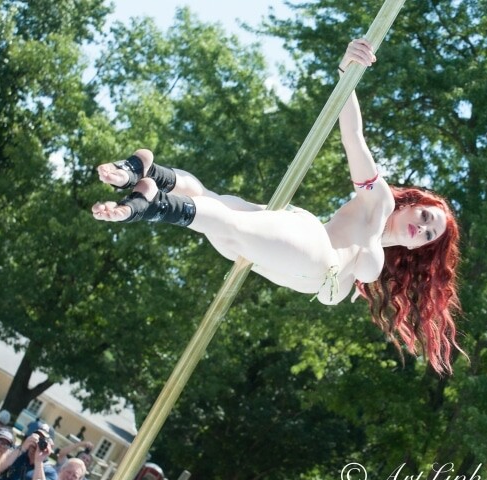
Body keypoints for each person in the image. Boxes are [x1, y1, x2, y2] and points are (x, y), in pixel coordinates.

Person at [92, 39, 462, 376]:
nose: (422, 228)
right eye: (425, 217)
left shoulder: (367, 265)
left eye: (428, 235)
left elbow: (344, 282)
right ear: (411, 204)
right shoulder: (379, 201)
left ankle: (144, 172)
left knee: (212, 206)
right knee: (227, 223)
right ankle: (152, 203)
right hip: (313, 248)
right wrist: (347, 73)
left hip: (278, 260)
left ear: (416, 249)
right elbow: (353, 138)